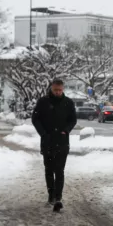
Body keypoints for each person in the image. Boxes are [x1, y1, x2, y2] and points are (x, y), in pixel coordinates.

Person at [31, 78, 77, 211]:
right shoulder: (43, 102)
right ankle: (51, 195)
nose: (58, 92)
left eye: (60, 90)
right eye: (56, 90)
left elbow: (73, 120)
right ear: (51, 88)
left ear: (63, 89)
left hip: (62, 142)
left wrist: (66, 130)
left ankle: (58, 198)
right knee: (49, 170)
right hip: (48, 141)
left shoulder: (68, 103)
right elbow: (35, 119)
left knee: (60, 170)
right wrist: (43, 133)